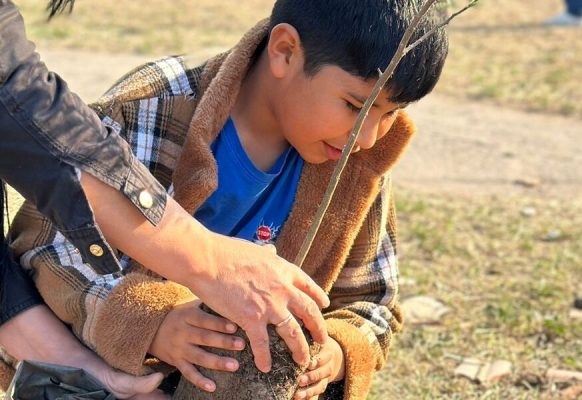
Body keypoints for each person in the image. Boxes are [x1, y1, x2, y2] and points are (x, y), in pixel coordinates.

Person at [9, 0, 448, 398]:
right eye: (355, 105)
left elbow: (373, 301)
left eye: (390, 114)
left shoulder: (358, 160)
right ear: (285, 51)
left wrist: (335, 354)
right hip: (122, 379)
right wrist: (154, 324)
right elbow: (49, 249)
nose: (369, 136)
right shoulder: (154, 107)